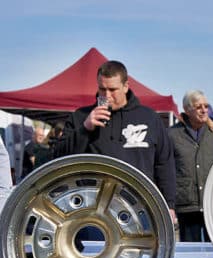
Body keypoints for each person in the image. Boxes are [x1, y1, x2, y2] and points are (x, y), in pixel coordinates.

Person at [54, 60, 176, 225]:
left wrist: (168, 205)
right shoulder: (81, 117)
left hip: (140, 206)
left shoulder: (149, 118)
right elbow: (58, 158)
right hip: (94, 209)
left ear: (126, 86)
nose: (107, 95)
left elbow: (164, 164)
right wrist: (85, 129)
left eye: (113, 89)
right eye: (102, 89)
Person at [168, 90, 213, 242]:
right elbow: (166, 169)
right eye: (198, 107)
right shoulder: (172, 135)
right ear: (187, 110)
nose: (203, 110)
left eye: (206, 106)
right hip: (186, 204)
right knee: (190, 254)